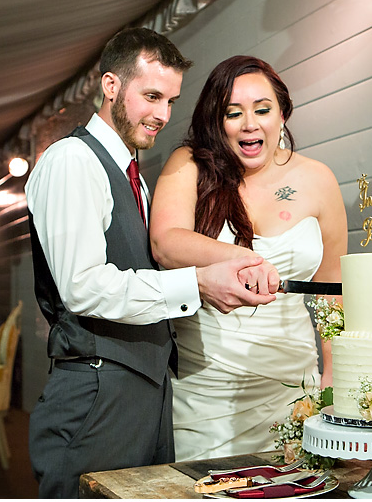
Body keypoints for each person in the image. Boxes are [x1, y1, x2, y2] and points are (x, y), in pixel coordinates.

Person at [26, 29, 275, 498]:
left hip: (147, 389)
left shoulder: (135, 180)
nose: (162, 114)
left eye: (171, 100)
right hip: (96, 394)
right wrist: (195, 284)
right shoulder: (72, 161)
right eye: (152, 96)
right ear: (111, 86)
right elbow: (82, 286)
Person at [149, 55, 348, 460]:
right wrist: (246, 258)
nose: (249, 124)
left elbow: (333, 293)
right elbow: (166, 242)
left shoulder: (318, 178)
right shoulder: (190, 165)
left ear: (282, 112)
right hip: (207, 391)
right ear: (216, 120)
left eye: (262, 109)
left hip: (293, 388)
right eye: (233, 113)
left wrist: (333, 380)